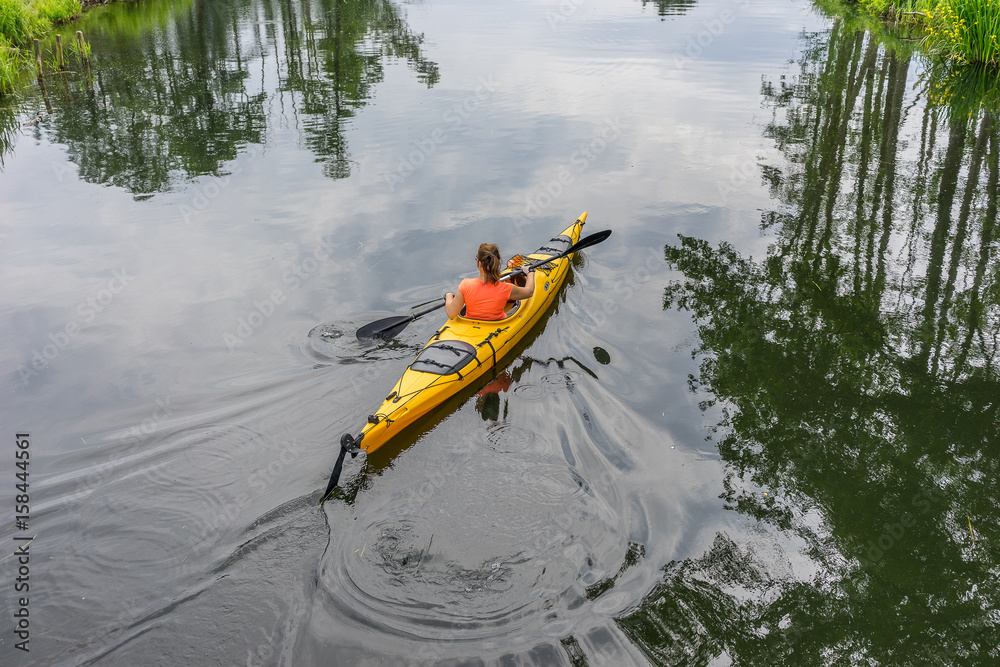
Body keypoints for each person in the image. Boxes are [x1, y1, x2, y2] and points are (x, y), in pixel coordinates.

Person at [445, 243, 534, 320]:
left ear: (478, 263)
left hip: (471, 324)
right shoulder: (506, 288)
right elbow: (529, 292)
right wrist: (530, 273)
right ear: (497, 262)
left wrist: (448, 296)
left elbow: (451, 314)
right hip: (497, 324)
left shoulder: (465, 285)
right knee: (515, 307)